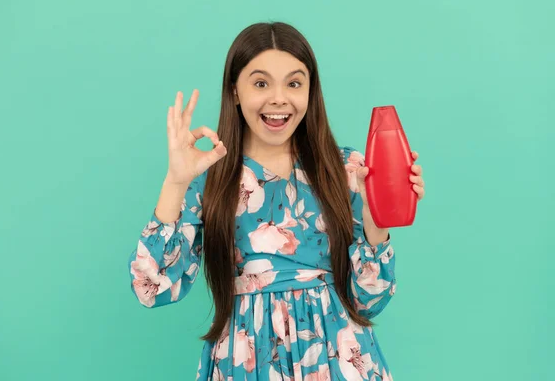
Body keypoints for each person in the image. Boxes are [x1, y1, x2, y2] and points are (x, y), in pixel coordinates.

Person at [127, 21, 425, 380]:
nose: (279, 98)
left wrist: (377, 220)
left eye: (294, 83)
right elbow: (150, 288)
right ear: (235, 90)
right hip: (247, 365)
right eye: (261, 83)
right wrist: (176, 181)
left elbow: (369, 301)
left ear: (310, 92)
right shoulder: (211, 178)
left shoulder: (345, 169)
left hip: (338, 362)